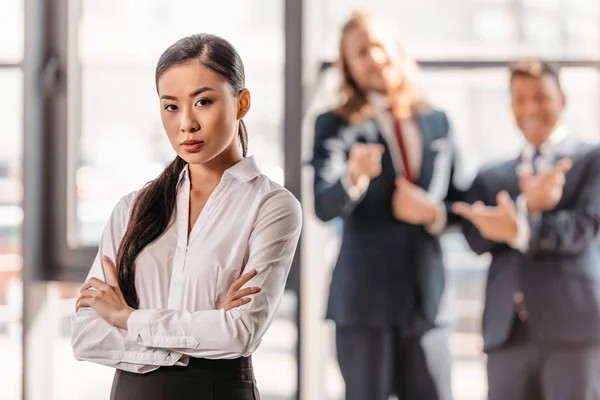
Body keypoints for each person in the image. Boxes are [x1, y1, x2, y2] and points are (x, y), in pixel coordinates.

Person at [70, 33, 302, 400]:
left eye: (203, 102)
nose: (186, 124)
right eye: (171, 106)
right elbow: (86, 336)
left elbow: (241, 332)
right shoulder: (134, 207)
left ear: (242, 103)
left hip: (218, 391)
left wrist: (127, 318)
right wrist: (201, 332)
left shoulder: (272, 206)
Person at [310, 11, 468, 400]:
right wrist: (354, 179)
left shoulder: (438, 122)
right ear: (348, 67)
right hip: (365, 304)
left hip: (427, 300)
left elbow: (462, 202)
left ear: (397, 49)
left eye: (379, 46)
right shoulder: (334, 124)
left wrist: (434, 212)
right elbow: (323, 204)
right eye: (361, 52)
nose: (375, 57)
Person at [453, 59, 600, 400]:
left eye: (541, 97)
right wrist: (525, 208)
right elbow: (475, 239)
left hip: (572, 329)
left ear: (562, 99)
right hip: (506, 333)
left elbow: (585, 226)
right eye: (520, 99)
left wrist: (520, 228)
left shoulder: (591, 160)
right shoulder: (492, 176)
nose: (530, 108)